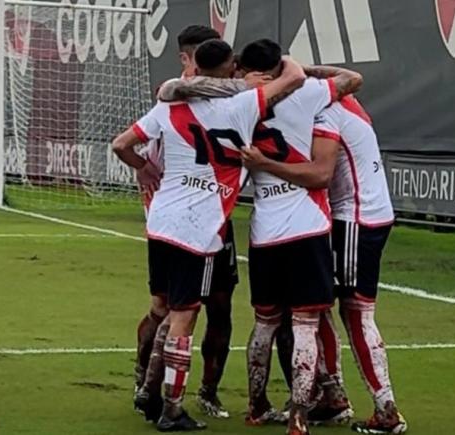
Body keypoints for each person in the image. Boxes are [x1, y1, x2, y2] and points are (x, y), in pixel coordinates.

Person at [113, 39, 306, 431]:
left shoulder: (171, 102)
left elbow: (121, 144)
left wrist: (144, 167)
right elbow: (296, 76)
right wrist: (268, 66)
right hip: (199, 226)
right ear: (231, 65)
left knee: (165, 308)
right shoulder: (244, 103)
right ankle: (172, 407)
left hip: (161, 219)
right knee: (185, 317)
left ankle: (149, 391)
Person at [241, 94, 408, 434]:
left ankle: (386, 409)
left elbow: (321, 174)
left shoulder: (322, 113)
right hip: (367, 212)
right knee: (320, 307)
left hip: (355, 218)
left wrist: (265, 164)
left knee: (356, 313)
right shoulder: (346, 100)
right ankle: (333, 396)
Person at [133, 25, 243, 421]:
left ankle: (195, 391)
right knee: (178, 309)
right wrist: (145, 172)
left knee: (216, 305)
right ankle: (154, 389)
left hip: (192, 218)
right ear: (186, 59)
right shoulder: (175, 95)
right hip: (193, 218)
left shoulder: (181, 95)